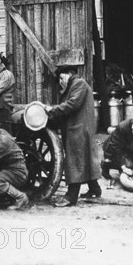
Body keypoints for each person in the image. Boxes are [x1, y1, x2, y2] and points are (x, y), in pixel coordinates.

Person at [46, 65, 101, 207]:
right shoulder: (74, 85)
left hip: (78, 129)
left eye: (61, 78)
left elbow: (72, 105)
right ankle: (95, 189)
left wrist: (52, 110)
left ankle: (71, 197)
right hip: (78, 128)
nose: (60, 82)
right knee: (85, 159)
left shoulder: (79, 84)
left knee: (75, 161)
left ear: (69, 74)